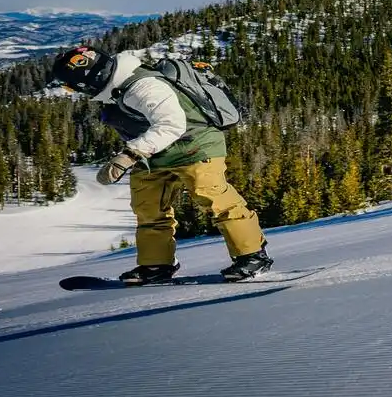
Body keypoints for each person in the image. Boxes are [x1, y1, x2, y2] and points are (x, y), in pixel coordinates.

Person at [48, 45, 273, 285]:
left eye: (71, 86)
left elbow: (171, 125)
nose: (72, 91)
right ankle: (155, 265)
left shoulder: (143, 86)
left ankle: (252, 255)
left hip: (195, 143)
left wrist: (129, 155)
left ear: (86, 80)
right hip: (157, 153)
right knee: (148, 206)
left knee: (213, 195)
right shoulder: (119, 89)